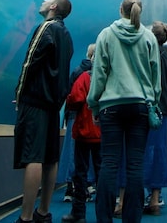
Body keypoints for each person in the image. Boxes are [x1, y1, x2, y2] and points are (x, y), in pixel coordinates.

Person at [87, 0, 161, 223]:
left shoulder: (106, 35)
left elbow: (99, 73)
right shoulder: (149, 38)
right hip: (140, 105)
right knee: (135, 165)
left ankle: (104, 219)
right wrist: (153, 101)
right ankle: (132, 219)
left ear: (120, 9)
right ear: (140, 10)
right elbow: (155, 76)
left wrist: (94, 103)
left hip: (111, 106)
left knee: (109, 163)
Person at [14, 0, 75, 223]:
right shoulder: (67, 35)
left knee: (33, 156)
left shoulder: (46, 28)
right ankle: (43, 212)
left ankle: (26, 216)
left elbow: (31, 61)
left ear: (53, 7)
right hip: (53, 105)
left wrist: (20, 93)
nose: (43, 0)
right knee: (50, 158)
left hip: (36, 100)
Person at [62, 45, 102, 223]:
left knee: (80, 173)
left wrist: (70, 103)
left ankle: (78, 213)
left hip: (83, 131)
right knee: (103, 172)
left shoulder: (85, 77)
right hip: (102, 133)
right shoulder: (108, 79)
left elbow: (75, 99)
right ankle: (104, 212)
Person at [142, 21, 167, 215]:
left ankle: (137, 196)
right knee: (158, 152)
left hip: (148, 109)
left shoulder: (149, 56)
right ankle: (155, 196)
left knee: (142, 151)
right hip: (161, 111)